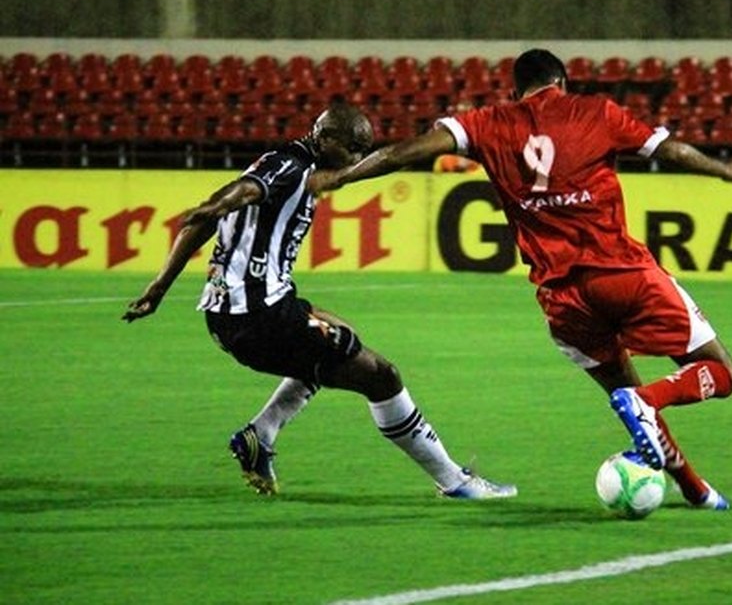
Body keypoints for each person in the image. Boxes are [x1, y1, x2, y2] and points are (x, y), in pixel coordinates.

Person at [315, 49, 732, 510]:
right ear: (561, 81)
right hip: (622, 273)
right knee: (721, 372)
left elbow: (404, 153)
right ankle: (651, 401)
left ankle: (694, 488)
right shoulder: (597, 112)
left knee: (628, 398)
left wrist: (342, 176)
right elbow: (670, 150)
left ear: (514, 90)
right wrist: (727, 170)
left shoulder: (487, 122)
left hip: (563, 302)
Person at [122, 103, 516, 500]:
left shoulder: (296, 164)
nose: (358, 159)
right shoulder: (289, 166)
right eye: (354, 149)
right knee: (382, 376)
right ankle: (455, 481)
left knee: (340, 335)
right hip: (259, 318)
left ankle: (260, 434)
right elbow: (241, 192)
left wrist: (159, 288)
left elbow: (205, 223)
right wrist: (217, 203)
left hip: (241, 313)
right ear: (324, 139)